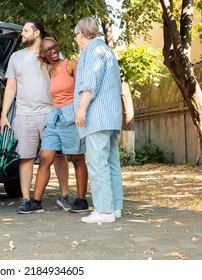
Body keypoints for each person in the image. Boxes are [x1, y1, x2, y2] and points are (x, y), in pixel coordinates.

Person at [0, 20, 70, 214]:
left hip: (51, 113)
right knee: (26, 158)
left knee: (59, 156)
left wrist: (47, 60)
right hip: (24, 114)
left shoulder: (53, 53)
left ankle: (64, 196)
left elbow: (62, 81)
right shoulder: (16, 57)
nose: (22, 34)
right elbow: (11, 88)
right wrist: (4, 115)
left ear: (37, 33)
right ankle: (26, 200)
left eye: (25, 30)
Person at [73, 17, 123, 223]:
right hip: (111, 118)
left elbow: (89, 84)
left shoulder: (91, 51)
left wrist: (81, 109)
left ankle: (104, 211)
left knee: (97, 163)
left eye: (75, 35)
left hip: (97, 117)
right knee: (111, 163)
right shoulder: (106, 51)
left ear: (82, 34)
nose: (76, 39)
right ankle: (115, 207)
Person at [31, 37, 89, 212]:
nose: (53, 51)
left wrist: (81, 111)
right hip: (55, 117)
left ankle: (81, 200)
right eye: (48, 49)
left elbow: (82, 88)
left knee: (77, 158)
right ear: (43, 54)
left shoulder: (70, 64)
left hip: (71, 116)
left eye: (54, 47)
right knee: (45, 159)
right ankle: (35, 203)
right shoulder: (50, 71)